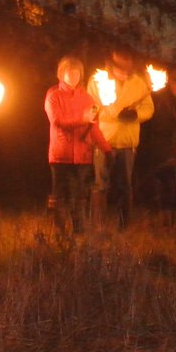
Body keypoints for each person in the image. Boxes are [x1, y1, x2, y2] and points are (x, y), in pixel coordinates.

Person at [87, 48, 153, 228]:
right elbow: (92, 108)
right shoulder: (98, 81)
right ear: (111, 67)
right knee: (101, 185)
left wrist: (135, 114)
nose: (125, 73)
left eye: (128, 70)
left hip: (128, 142)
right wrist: (117, 112)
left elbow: (149, 108)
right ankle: (97, 225)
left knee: (125, 186)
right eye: (121, 70)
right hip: (104, 141)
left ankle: (124, 226)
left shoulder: (139, 83)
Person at [45, 56, 111, 234]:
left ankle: (79, 231)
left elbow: (94, 127)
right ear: (61, 74)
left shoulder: (87, 98)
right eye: (69, 72)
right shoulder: (53, 96)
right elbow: (57, 121)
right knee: (60, 194)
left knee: (80, 195)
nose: (73, 76)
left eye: (77, 73)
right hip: (61, 155)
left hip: (83, 155)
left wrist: (106, 149)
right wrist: (82, 118)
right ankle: (58, 231)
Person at [138, 66, 176, 223]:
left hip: (174, 149)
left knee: (171, 183)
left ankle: (169, 219)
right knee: (162, 182)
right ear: (170, 82)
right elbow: (156, 124)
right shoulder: (160, 98)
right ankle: (161, 218)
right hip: (160, 149)